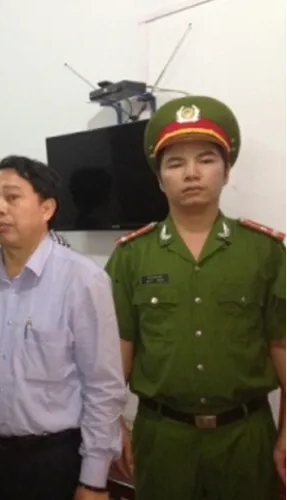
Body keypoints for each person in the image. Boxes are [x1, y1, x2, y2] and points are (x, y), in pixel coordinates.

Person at [105, 95, 286, 500]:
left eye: (205, 160)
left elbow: (282, 345)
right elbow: (118, 355)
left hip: (246, 439)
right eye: (175, 163)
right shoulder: (131, 257)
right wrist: (113, 424)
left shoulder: (265, 252)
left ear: (227, 171)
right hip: (163, 440)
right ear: (159, 180)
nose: (191, 173)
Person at [0, 155, 126, 500]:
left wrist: (93, 480)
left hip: (55, 459)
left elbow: (103, 386)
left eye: (12, 197)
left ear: (47, 209)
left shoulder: (83, 280)